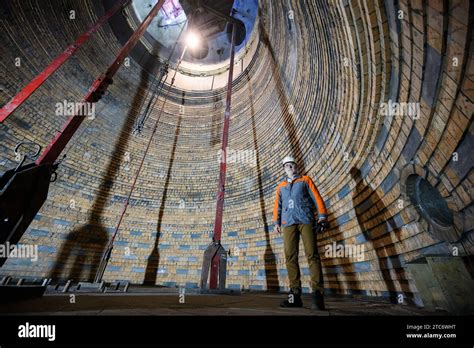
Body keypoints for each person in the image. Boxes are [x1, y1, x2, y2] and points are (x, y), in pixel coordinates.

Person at [273, 156, 329, 309]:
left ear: (296, 167)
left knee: (312, 255)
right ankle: (294, 297)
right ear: (284, 168)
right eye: (287, 165)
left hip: (306, 220)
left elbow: (317, 198)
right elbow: (278, 205)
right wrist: (276, 222)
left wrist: (322, 216)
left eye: (292, 165)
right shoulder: (281, 187)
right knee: (290, 257)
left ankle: (318, 296)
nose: (290, 167)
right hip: (288, 223)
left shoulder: (305, 180)